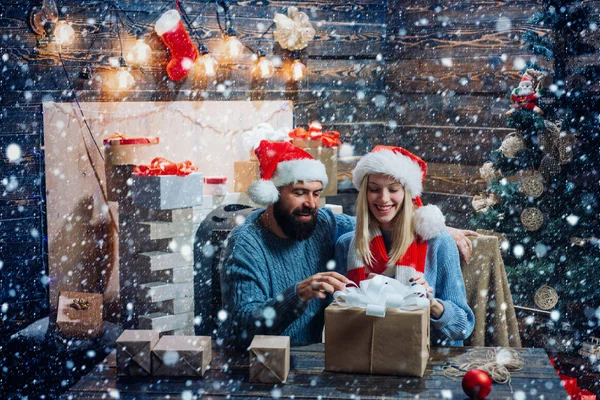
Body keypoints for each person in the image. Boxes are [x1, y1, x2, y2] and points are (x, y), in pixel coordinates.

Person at [219, 140, 475, 348]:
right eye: (299, 193)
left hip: (324, 361)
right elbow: (242, 328)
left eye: (316, 193)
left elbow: (377, 220)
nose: (311, 203)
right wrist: (296, 295)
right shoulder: (247, 244)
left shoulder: (320, 222)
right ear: (272, 193)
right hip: (259, 362)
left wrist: (434, 226)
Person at [335, 145, 475, 346]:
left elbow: (463, 326)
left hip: (429, 361)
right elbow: (340, 316)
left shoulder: (438, 242)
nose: (383, 198)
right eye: (374, 189)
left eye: (393, 189)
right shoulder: (347, 245)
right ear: (364, 193)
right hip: (368, 355)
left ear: (407, 193)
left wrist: (432, 304)